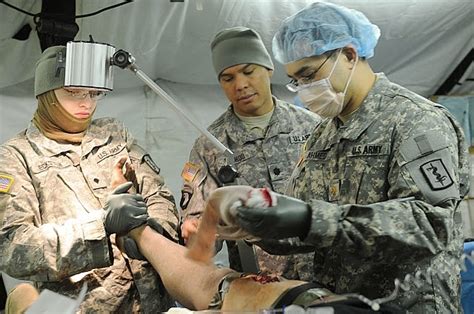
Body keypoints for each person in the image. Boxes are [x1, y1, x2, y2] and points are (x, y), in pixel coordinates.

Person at [231, 2, 470, 313]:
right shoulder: (322, 135)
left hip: (405, 305)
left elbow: (429, 224)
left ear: (349, 54)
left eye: (309, 74)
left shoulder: (415, 120)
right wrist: (259, 227)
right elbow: (308, 228)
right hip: (341, 303)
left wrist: (310, 217)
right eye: (296, 80)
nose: (303, 88)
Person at [0, 46, 179, 312]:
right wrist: (100, 225)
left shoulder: (113, 133)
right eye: (73, 92)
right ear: (46, 93)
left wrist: (151, 233)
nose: (87, 103)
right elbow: (14, 248)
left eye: (94, 93)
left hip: (155, 302)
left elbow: (159, 195)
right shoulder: (16, 156)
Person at [179, 26, 321, 279]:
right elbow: (200, 221)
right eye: (228, 77)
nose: (241, 85)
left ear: (268, 69)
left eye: (248, 71)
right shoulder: (211, 145)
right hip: (260, 287)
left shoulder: (314, 127)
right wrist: (198, 232)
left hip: (325, 274)